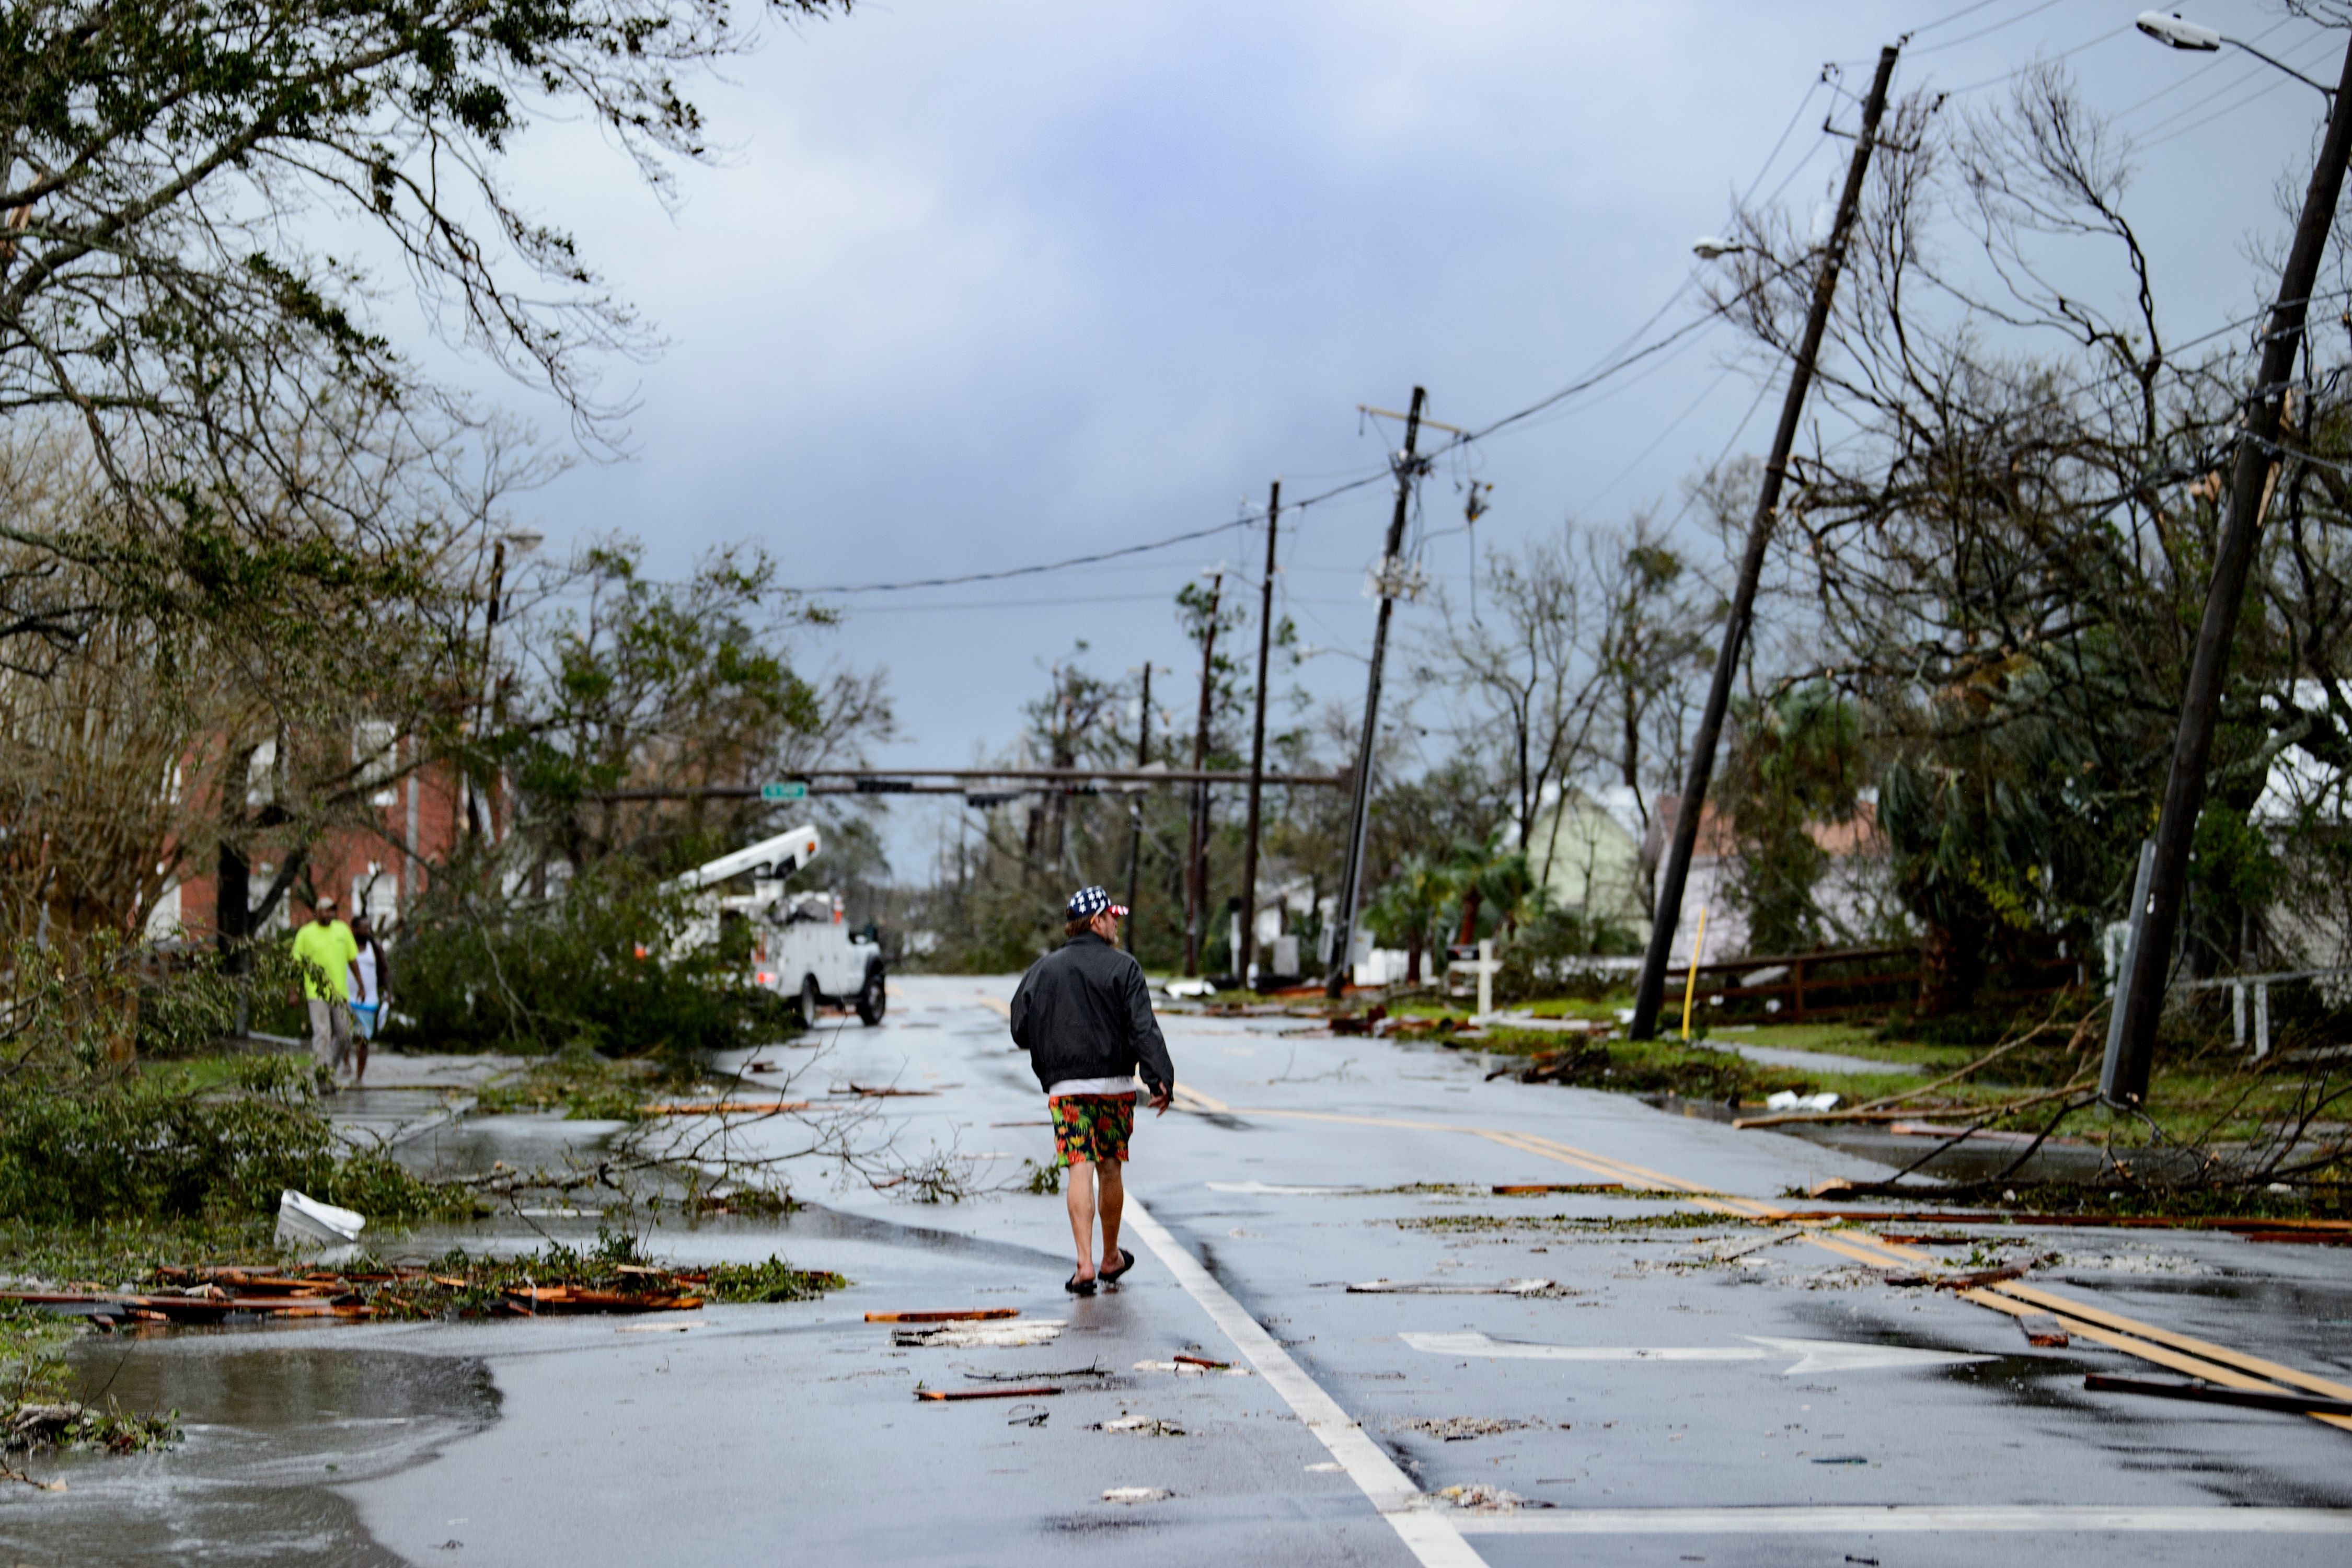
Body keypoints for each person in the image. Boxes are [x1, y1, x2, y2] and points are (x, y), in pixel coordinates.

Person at [1009, 884, 1175, 1296]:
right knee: (1110, 1167)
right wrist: (1159, 1078)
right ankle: (1110, 1256)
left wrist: (1053, 1043)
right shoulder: (1125, 968)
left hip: (1066, 1089)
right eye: (1112, 916)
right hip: (1114, 1088)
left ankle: (1084, 1265)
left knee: (1078, 1167)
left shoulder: (1043, 970)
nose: (1117, 923)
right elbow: (1143, 1027)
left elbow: (1019, 1029)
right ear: (1096, 921)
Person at [290, 896, 361, 1085]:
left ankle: (329, 1068)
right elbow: (296, 965)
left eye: (332, 911)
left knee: (345, 1034)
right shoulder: (306, 934)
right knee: (323, 1033)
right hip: (316, 992)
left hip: (339, 993)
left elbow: (352, 959)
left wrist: (361, 984)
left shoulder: (342, 931)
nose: (330, 914)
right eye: (326, 911)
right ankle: (322, 1076)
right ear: (318, 912)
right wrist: (293, 992)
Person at [348, 912, 391, 1085]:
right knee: (344, 1036)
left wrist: (389, 993)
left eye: (369, 927)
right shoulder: (347, 946)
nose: (367, 931)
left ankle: (359, 1077)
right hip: (347, 998)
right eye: (363, 928)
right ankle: (345, 1064)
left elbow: (385, 970)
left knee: (364, 1039)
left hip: (369, 1001)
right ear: (355, 929)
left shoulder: (375, 947)